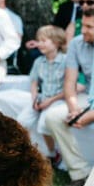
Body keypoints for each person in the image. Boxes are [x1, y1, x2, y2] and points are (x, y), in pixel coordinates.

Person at [39, 8, 94, 186]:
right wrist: (73, 108)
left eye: (89, 27)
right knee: (53, 116)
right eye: (83, 25)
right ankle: (80, 173)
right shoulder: (76, 44)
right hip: (89, 94)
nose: (83, 31)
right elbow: (70, 81)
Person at [19, 25, 67, 159]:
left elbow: (69, 88)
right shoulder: (39, 61)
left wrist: (50, 101)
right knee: (22, 121)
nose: (39, 44)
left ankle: (52, 154)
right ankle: (24, 152)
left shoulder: (66, 60)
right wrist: (35, 99)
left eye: (43, 40)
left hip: (58, 100)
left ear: (56, 42)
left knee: (43, 125)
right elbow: (34, 82)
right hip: (42, 98)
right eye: (38, 40)